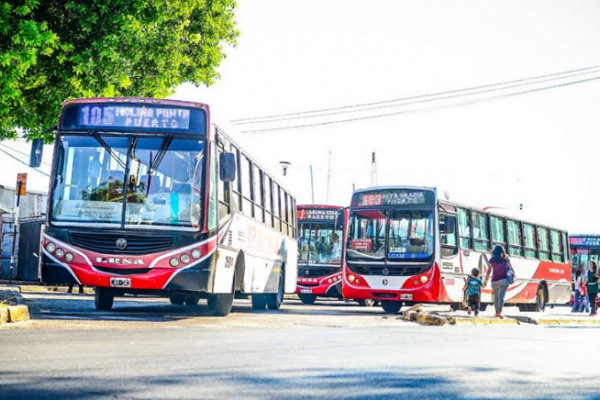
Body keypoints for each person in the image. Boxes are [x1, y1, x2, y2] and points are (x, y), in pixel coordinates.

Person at [483, 245, 512, 318]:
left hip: (494, 281)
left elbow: (489, 270)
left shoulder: (492, 260)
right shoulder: (506, 259)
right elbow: (510, 268)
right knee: (501, 297)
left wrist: (486, 280)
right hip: (504, 281)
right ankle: (499, 313)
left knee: (496, 298)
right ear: (503, 251)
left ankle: (496, 313)